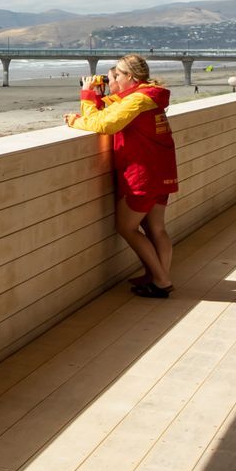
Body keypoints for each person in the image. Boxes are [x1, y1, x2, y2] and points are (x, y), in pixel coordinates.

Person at [66, 55, 177, 298]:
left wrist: (78, 114)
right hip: (162, 171)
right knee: (156, 228)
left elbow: (105, 124)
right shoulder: (148, 97)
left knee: (126, 227)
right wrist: (96, 94)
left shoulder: (138, 100)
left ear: (130, 77)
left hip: (142, 174)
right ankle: (158, 275)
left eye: (116, 76)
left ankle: (161, 280)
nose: (113, 79)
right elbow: (113, 110)